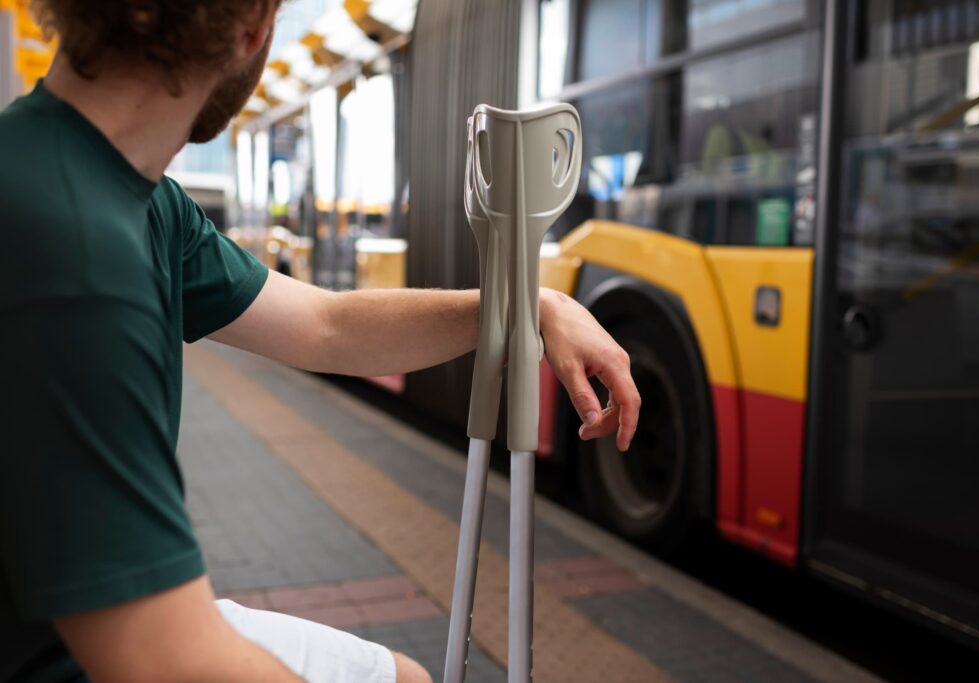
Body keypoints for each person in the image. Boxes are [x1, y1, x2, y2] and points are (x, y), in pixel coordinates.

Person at [0, 1, 641, 682]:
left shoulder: (126, 193)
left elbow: (326, 325)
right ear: (254, 28)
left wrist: (528, 303)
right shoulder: (73, 249)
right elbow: (161, 658)